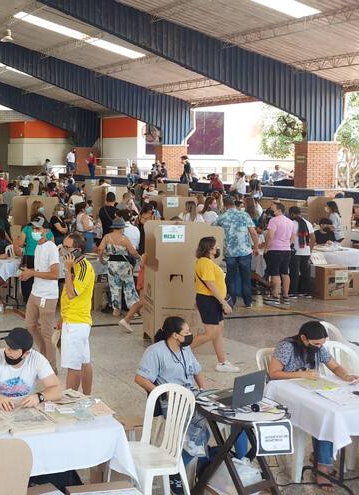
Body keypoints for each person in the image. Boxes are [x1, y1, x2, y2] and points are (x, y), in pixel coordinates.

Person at [133, 316, 248, 494]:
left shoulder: (185, 349)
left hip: (193, 395)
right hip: (173, 400)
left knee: (235, 413)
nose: (189, 335)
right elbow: (140, 378)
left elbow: (197, 370)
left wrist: (203, 390)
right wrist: (162, 391)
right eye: (185, 332)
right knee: (201, 423)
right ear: (174, 335)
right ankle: (175, 471)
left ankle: (242, 462)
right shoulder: (155, 351)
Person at [268, 321, 358, 491]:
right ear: (303, 338)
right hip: (286, 391)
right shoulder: (286, 347)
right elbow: (273, 374)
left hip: (310, 388)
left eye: (322, 344)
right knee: (324, 414)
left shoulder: (318, 347)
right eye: (317, 344)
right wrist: (301, 374)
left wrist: (345, 375)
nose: (320, 347)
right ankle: (322, 468)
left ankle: (320, 458)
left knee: (329, 412)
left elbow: (334, 366)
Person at [0, 328, 62, 411]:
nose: (7, 351)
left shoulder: (37, 359)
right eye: (7, 345)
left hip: (24, 408)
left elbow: (57, 389)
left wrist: (39, 397)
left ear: (26, 353)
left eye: (13, 348)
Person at [192, 236, 239, 372]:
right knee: (211, 333)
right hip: (209, 300)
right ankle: (179, 351)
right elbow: (210, 284)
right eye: (216, 245)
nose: (218, 247)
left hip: (211, 300)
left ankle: (222, 362)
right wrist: (224, 302)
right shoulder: (205, 262)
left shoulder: (208, 262)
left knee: (218, 332)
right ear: (209, 248)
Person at [19, 216, 61, 368]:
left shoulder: (51, 248)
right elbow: (38, 271)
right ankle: (44, 354)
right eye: (33, 228)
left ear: (46, 230)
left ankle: (51, 366)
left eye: (38, 228)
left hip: (47, 296)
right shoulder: (37, 247)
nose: (34, 231)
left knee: (47, 332)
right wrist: (28, 274)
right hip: (35, 293)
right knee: (30, 325)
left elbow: (55, 274)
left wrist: (32, 273)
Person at [59, 232, 96, 393]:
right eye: (63, 246)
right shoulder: (75, 265)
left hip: (76, 323)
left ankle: (70, 401)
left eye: (67, 247)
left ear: (78, 250)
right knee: (83, 362)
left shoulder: (83, 268)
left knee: (73, 366)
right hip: (72, 319)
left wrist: (67, 270)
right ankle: (86, 397)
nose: (63, 250)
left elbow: (72, 293)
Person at [215, 196, 260, 309]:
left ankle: (232, 301)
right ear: (234, 204)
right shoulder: (244, 215)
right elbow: (253, 233)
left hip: (230, 252)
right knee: (246, 277)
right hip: (245, 251)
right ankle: (248, 301)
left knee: (231, 277)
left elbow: (214, 231)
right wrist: (256, 247)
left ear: (225, 205)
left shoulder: (221, 218)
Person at [98, 218, 139, 318]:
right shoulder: (124, 238)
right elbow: (133, 252)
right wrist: (139, 257)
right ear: (121, 228)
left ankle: (116, 310)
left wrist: (101, 259)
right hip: (124, 265)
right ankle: (132, 310)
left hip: (112, 265)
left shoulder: (107, 237)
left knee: (114, 287)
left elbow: (100, 249)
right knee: (129, 287)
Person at [264, 202, 294, 306]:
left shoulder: (273, 220)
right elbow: (293, 237)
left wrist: (267, 248)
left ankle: (275, 296)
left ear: (279, 210)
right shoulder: (290, 222)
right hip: (287, 250)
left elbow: (270, 236)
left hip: (275, 250)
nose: (271, 211)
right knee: (285, 273)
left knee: (274, 273)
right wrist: (287, 245)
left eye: (273, 209)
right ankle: (285, 296)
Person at [289, 206, 314, 299]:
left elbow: (289, 238)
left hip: (295, 251)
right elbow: (313, 238)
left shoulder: (292, 223)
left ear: (292, 214)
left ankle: (293, 292)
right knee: (305, 272)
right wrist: (309, 250)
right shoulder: (308, 223)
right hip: (306, 251)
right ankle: (307, 292)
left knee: (294, 272)